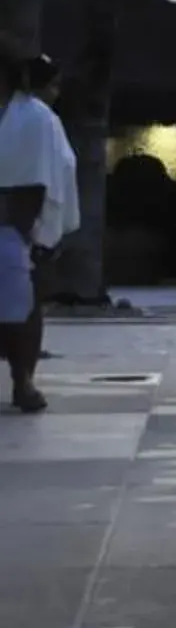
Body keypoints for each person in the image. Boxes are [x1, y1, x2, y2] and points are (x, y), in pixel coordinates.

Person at [0, 50, 78, 414]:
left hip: (15, 226)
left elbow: (43, 178)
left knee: (24, 308)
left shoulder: (34, 118)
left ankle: (23, 380)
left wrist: (36, 236)